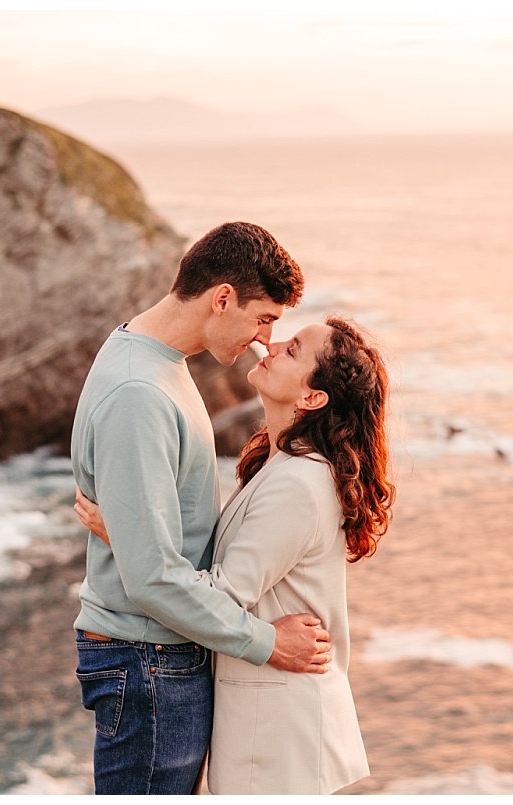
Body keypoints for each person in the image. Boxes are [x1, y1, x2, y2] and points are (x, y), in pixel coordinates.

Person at [77, 315, 395, 794]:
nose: (271, 342)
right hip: (269, 715)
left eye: (292, 350)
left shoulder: (299, 484)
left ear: (313, 398)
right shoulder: (281, 463)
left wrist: (127, 535)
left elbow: (224, 592)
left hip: (281, 727)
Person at [68, 222, 333, 796]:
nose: (266, 339)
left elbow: (155, 553)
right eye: (264, 318)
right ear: (222, 299)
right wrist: (269, 643)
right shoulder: (140, 393)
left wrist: (133, 537)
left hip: (155, 659)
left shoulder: (153, 358)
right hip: (148, 663)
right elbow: (152, 581)